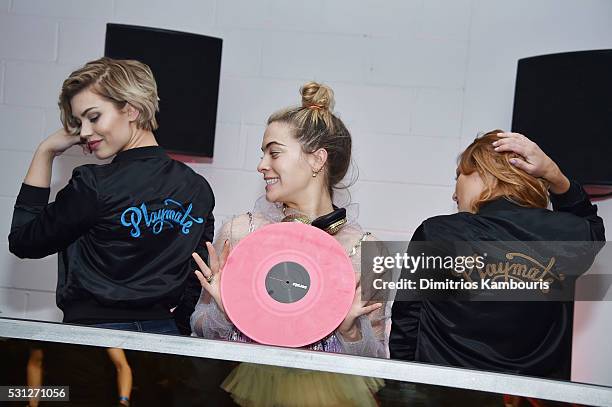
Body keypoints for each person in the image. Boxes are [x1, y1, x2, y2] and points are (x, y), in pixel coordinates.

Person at [190, 81, 392, 406]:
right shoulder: (242, 233)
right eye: (262, 154)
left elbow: (377, 354)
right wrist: (225, 313)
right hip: (249, 391)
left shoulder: (365, 249)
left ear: (316, 160)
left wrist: (349, 329)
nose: (261, 165)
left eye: (274, 152)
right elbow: (199, 325)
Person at [8, 57, 215, 335]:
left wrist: (45, 151)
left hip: (93, 340)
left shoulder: (94, 184)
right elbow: (197, 275)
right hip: (163, 338)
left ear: (131, 110)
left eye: (93, 117)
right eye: (78, 122)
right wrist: (174, 332)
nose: (83, 133)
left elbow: (24, 241)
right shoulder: (198, 189)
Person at [389, 130, 605, 379]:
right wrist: (554, 175)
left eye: (458, 176)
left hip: (444, 394)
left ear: (484, 172)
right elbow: (592, 227)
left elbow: (406, 326)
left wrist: (402, 389)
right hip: (533, 398)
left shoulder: (437, 233)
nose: (454, 193)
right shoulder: (564, 234)